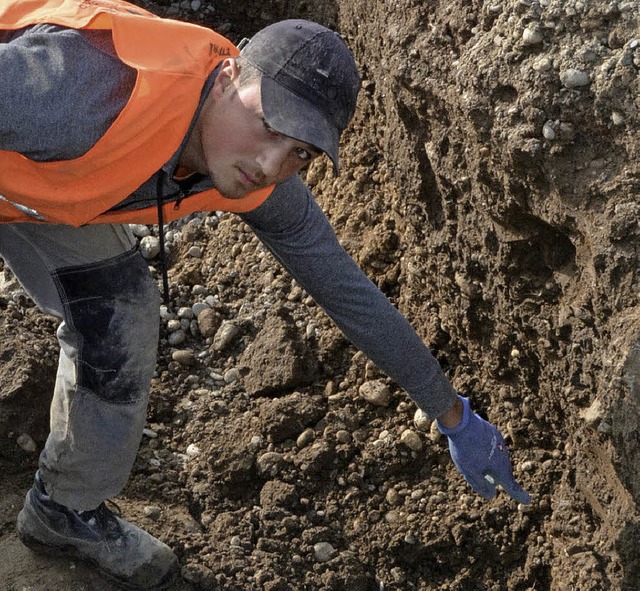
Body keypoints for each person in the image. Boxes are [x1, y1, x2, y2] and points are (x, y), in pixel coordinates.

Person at [0, 0, 530, 588]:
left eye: (301, 151)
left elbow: (345, 290)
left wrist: (451, 414)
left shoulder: (258, 179)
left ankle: (65, 511)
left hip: (45, 185)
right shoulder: (78, 90)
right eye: (270, 124)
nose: (273, 162)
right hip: (32, 142)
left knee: (119, 313)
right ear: (228, 76)